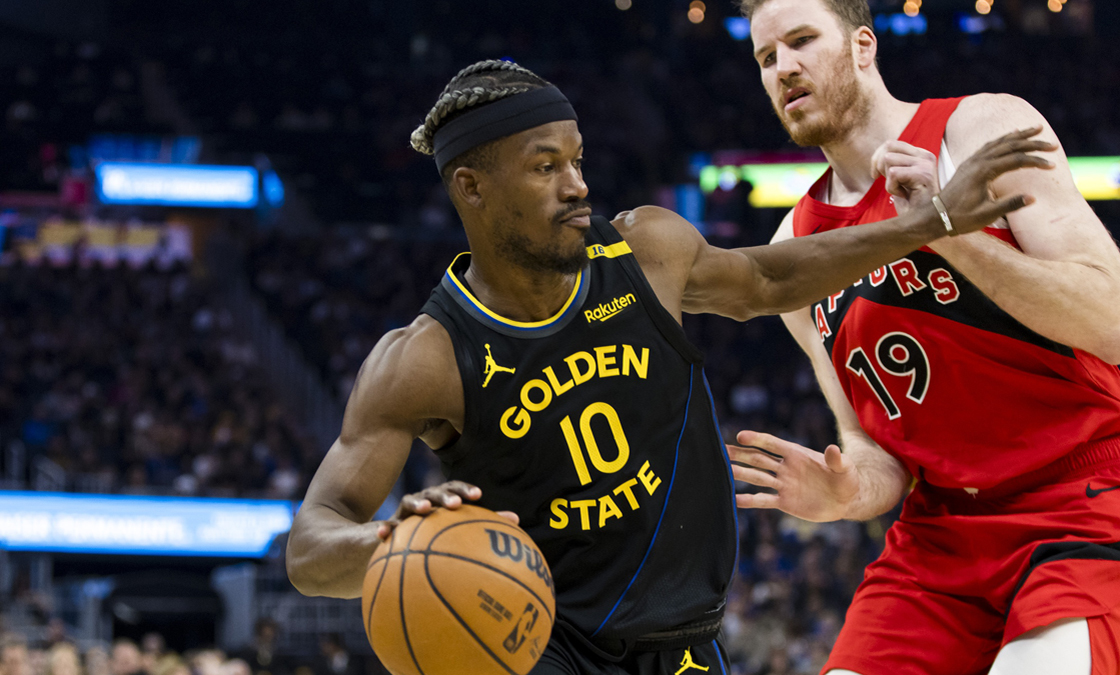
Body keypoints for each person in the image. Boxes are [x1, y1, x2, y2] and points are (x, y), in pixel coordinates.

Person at [284, 59, 1050, 675]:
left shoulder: (644, 251)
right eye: (545, 167)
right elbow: (311, 544)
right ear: (472, 187)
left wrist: (921, 223)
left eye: (577, 160)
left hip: (683, 637)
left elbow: (773, 279)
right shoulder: (425, 357)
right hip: (539, 639)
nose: (577, 184)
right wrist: (392, 542)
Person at [725, 1, 1120, 674]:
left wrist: (946, 229)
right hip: (940, 536)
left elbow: (1116, 323)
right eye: (767, 58)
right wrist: (845, 493)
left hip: (1079, 500)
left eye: (800, 40)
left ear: (863, 47)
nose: (784, 67)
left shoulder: (983, 128)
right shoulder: (794, 247)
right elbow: (874, 451)